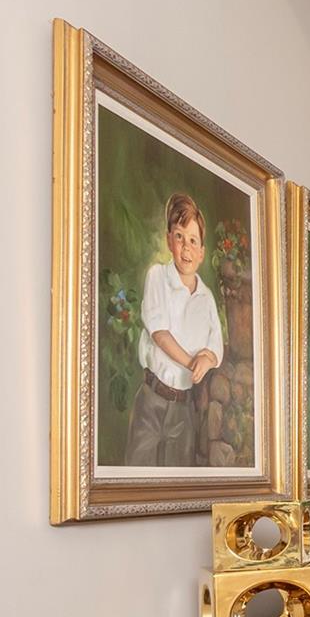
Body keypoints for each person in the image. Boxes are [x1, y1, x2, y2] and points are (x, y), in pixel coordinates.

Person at [126, 193, 222, 465]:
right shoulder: (157, 276)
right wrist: (193, 361)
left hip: (183, 406)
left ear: (202, 252)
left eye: (193, 241)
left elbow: (217, 344)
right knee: (138, 470)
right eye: (179, 237)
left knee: (177, 476)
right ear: (169, 239)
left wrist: (208, 358)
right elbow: (160, 333)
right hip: (152, 399)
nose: (186, 248)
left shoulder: (206, 297)